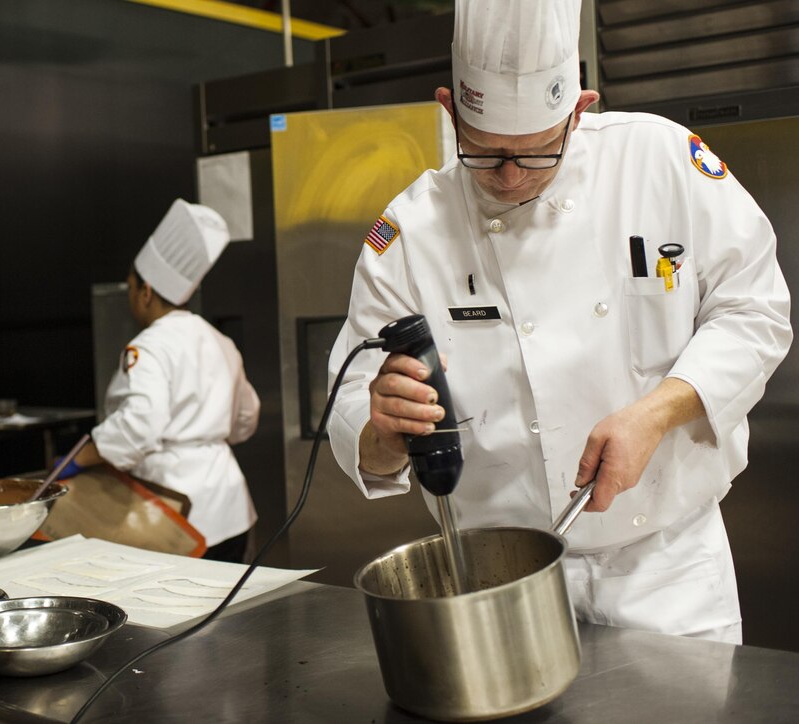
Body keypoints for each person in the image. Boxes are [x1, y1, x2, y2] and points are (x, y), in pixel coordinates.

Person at [328, 0, 791, 644]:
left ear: (580, 111)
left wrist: (655, 413)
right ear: (448, 109)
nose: (512, 176)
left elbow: (755, 311)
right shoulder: (409, 232)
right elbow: (354, 399)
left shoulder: (658, 159)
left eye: (539, 153)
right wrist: (381, 429)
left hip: (669, 575)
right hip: (494, 585)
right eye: (485, 155)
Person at [58, 198, 260, 563]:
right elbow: (246, 419)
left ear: (146, 291)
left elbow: (140, 427)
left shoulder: (148, 347)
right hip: (232, 509)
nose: (131, 297)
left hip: (176, 514)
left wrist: (80, 458)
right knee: (230, 610)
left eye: (131, 288)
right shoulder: (220, 340)